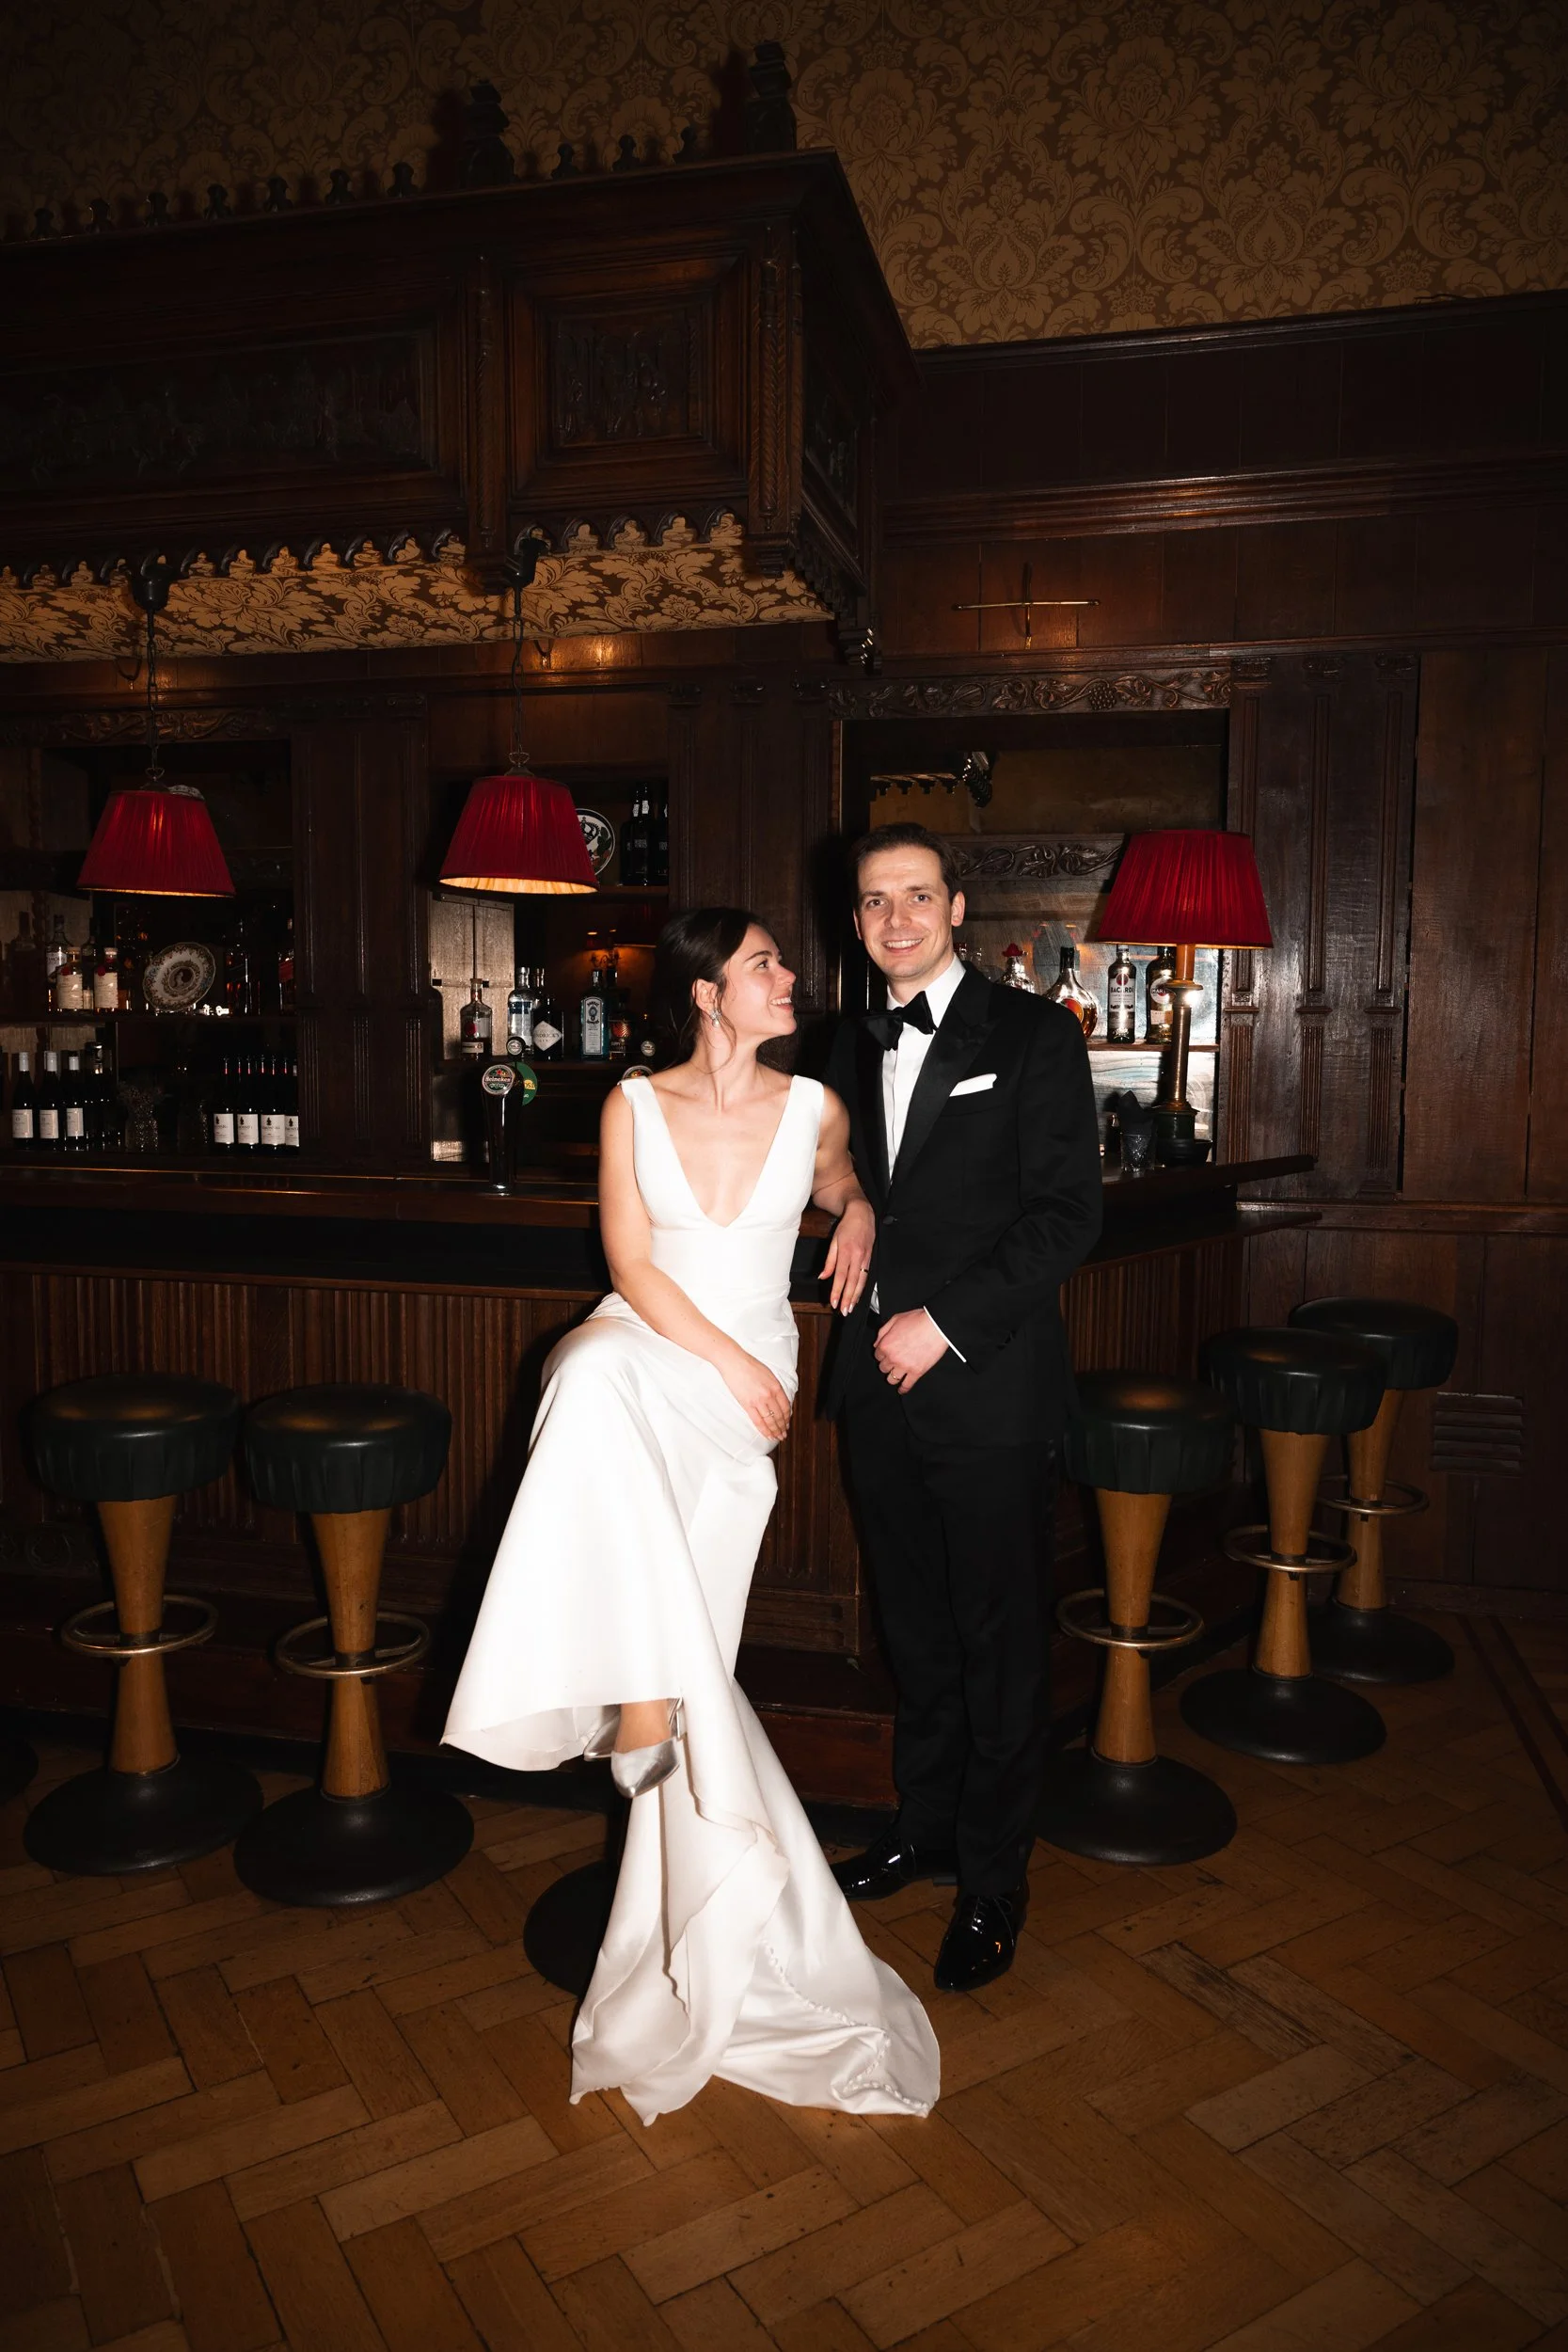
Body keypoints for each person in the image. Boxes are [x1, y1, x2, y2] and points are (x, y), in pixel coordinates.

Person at [444, 907, 939, 2124]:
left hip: (739, 1399)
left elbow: (834, 1176)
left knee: (691, 1630)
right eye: (765, 965)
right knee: (584, 1374)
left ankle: (685, 1882)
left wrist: (857, 1207)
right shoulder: (630, 1104)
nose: (788, 978)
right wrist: (717, 1356)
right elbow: (629, 1263)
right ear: (708, 994)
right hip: (666, 1344)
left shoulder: (814, 1101)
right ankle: (640, 1707)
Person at [823, 823, 1102, 1993]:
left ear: (957, 907)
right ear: (855, 922)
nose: (897, 918)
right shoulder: (844, 1040)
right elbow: (830, 1160)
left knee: (996, 1643)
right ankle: (924, 1823)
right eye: (875, 901)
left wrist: (939, 1324)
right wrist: (845, 1202)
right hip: (872, 1392)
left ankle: (993, 1879)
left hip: (984, 1385)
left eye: (917, 895)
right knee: (913, 1626)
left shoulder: (1034, 1034)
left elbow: (1064, 1217)